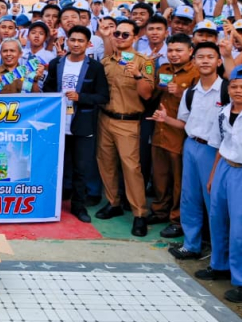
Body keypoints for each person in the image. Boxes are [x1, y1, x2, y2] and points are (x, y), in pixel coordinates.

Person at [148, 41, 225, 259]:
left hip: (215, 150)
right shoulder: (192, 92)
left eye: (210, 57)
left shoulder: (228, 90)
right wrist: (165, 119)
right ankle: (191, 245)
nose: (205, 61)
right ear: (195, 60)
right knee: (189, 197)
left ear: (219, 61)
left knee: (213, 200)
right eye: (201, 57)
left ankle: (219, 254)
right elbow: (184, 124)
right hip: (191, 145)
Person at [43, 26, 109, 223]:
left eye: (81, 41)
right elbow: (47, 90)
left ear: (88, 44)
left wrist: (81, 97)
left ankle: (79, 207)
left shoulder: (95, 67)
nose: (76, 44)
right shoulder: (56, 63)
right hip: (57, 125)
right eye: (72, 40)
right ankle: (51, 204)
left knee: (81, 169)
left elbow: (103, 96)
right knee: (56, 166)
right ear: (66, 41)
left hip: (82, 125)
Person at [96, 19, 154, 237]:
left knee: (132, 169)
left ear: (135, 38)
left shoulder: (144, 62)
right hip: (105, 118)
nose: (120, 37)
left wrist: (137, 74)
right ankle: (113, 203)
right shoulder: (106, 62)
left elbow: (147, 94)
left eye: (125, 35)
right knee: (106, 163)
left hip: (128, 122)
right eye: (117, 34)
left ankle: (139, 213)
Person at [145, 33, 198, 239]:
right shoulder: (164, 68)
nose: (174, 54)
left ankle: (177, 220)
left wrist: (180, 93)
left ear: (190, 51)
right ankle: (159, 211)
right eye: (171, 50)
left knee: (179, 180)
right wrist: (150, 67)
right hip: (159, 131)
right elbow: (153, 90)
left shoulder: (195, 73)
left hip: (179, 133)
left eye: (179, 50)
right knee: (159, 175)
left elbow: (201, 104)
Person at [199, 64, 242, 304]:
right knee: (217, 219)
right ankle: (219, 265)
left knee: (239, 231)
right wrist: (214, 175)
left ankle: (240, 280)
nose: (238, 91)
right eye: (234, 86)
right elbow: (221, 145)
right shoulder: (225, 111)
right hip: (225, 167)